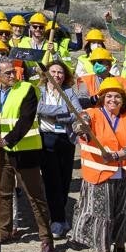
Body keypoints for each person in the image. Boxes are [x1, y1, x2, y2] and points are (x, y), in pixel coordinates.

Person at [0, 56, 54, 252]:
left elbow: (25, 120)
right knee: (3, 193)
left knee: (34, 195)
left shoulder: (27, 90)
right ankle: (4, 232)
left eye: (14, 71)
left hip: (25, 151)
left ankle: (46, 239)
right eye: (8, 73)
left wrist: (7, 140)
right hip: (0, 152)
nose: (13, 75)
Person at [70, 78, 126, 252]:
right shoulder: (91, 114)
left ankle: (119, 249)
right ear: (102, 98)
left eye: (117, 96)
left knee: (122, 214)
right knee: (104, 217)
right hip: (99, 176)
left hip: (122, 175)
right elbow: (78, 125)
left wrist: (118, 155)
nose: (113, 99)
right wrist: (81, 126)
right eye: (108, 96)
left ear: (123, 100)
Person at [37, 61, 84, 238]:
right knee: (51, 180)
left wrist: (53, 114)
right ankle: (57, 220)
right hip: (45, 138)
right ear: (46, 74)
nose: (57, 75)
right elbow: (37, 108)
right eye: (53, 71)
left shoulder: (69, 92)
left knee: (64, 180)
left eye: (60, 73)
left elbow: (76, 113)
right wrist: (62, 110)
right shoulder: (39, 91)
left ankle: (60, 215)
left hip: (66, 139)